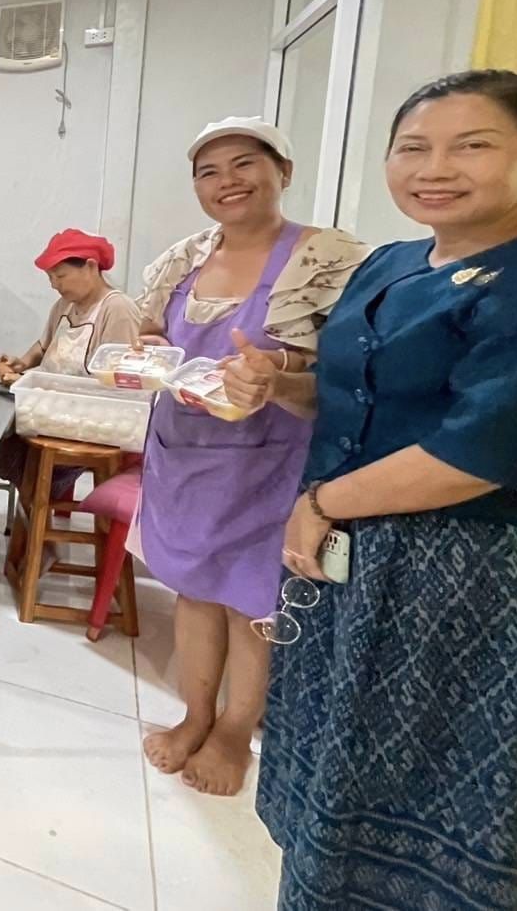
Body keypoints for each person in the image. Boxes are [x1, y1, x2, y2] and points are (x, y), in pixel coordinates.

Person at [254, 71, 517, 909]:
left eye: (472, 146)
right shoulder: (389, 263)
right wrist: (274, 386)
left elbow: (480, 450)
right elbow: (347, 390)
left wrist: (322, 503)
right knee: (335, 756)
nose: (435, 167)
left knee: (419, 773)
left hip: (455, 569)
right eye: (413, 148)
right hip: (345, 556)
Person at [133, 116, 368, 797]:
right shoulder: (183, 258)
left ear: (282, 172)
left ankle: (235, 731)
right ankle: (194, 714)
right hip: (185, 453)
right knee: (194, 592)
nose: (225, 182)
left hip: (271, 458)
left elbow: (351, 364)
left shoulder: (329, 259)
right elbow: (154, 327)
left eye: (243, 164)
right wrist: (147, 351)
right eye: (208, 172)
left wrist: (277, 367)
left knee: (253, 604)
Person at [0, 228, 142, 490]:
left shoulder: (117, 309)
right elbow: (44, 345)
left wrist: (49, 390)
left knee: (8, 443)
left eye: (60, 276)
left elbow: (119, 383)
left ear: (91, 267)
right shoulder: (65, 305)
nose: (54, 285)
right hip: (53, 409)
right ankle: (31, 490)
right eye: (50, 278)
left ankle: (40, 493)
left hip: (92, 419)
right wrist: (22, 364)